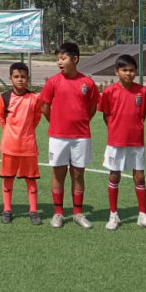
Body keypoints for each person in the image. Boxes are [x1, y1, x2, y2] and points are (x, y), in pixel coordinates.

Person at [40, 41, 100, 229]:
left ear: (75, 59)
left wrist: (81, 122)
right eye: (57, 59)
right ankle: (58, 213)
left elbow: (92, 107)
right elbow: (45, 107)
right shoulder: (53, 82)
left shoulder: (87, 83)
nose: (59, 62)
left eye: (63, 58)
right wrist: (57, 123)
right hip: (58, 136)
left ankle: (77, 213)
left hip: (81, 136)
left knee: (78, 174)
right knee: (58, 174)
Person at [99, 55, 146, 232]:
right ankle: (113, 214)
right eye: (124, 70)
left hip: (136, 141)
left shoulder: (143, 91)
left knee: (140, 176)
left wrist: (134, 128)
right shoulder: (110, 91)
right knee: (114, 175)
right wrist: (115, 129)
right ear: (116, 72)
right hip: (116, 140)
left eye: (132, 70)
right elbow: (106, 115)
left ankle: (143, 215)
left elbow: (143, 115)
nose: (128, 73)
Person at [0, 62, 43, 226]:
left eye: (23, 77)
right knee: (8, 178)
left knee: (31, 180)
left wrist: (25, 133)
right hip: (9, 146)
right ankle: (7, 209)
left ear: (28, 78)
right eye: (16, 76)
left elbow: (36, 118)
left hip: (28, 147)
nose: (20, 80)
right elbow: (2, 118)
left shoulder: (34, 98)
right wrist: (11, 134)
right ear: (10, 78)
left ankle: (33, 211)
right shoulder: (4, 98)